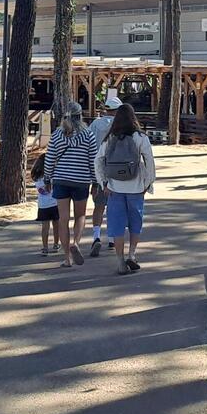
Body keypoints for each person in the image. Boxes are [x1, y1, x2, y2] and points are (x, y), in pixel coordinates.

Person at [94, 103, 156, 275]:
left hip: (114, 188)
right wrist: (148, 183)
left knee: (117, 225)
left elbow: (98, 160)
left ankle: (120, 261)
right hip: (136, 188)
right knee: (136, 224)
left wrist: (103, 183)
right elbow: (149, 161)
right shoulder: (140, 137)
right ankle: (132, 254)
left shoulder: (110, 137)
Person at [44, 102, 100, 267]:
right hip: (81, 180)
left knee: (63, 219)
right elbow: (93, 160)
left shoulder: (57, 134)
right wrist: (95, 182)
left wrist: (47, 178)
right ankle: (75, 242)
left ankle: (67, 258)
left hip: (61, 179)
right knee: (80, 216)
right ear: (80, 115)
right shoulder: (88, 134)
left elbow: (50, 158)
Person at [86, 90, 123, 255]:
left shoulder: (95, 124)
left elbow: (89, 146)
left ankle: (96, 236)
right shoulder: (121, 125)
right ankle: (112, 238)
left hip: (99, 169)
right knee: (114, 206)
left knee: (99, 205)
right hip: (117, 169)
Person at [30, 153, 59, 256]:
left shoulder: (37, 176)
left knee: (45, 227)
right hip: (55, 203)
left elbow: (40, 190)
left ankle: (45, 247)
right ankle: (56, 244)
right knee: (56, 225)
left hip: (43, 205)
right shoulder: (54, 173)